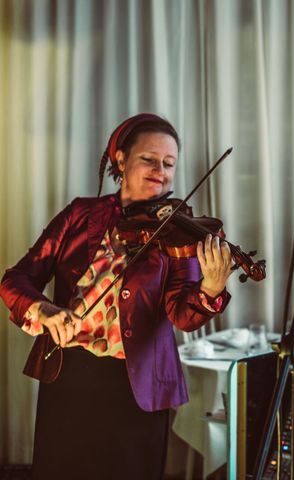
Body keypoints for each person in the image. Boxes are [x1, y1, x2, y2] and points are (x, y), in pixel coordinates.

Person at [0, 113, 235, 479]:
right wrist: (44, 310)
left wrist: (211, 288)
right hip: (70, 376)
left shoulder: (177, 227)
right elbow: (16, 279)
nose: (161, 170)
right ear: (121, 160)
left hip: (136, 385)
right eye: (149, 159)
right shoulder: (81, 214)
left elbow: (182, 316)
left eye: (169, 163)